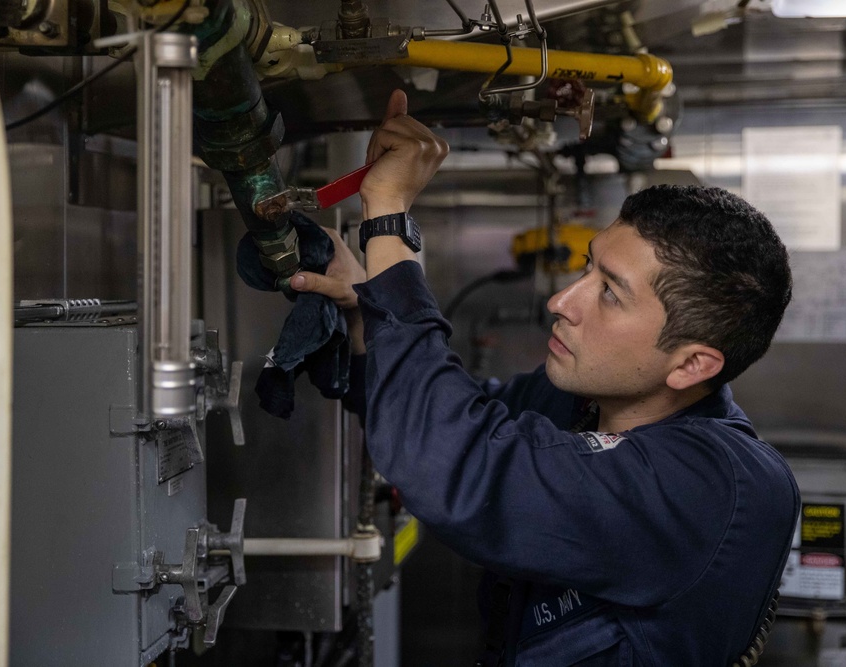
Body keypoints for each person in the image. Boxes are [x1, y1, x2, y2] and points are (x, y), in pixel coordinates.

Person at [288, 90, 800, 666]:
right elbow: (450, 414)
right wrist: (366, 315)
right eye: (588, 266)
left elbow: (451, 459)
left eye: (609, 292)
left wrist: (387, 220)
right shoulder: (580, 403)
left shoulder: (713, 486)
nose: (562, 301)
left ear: (691, 364)